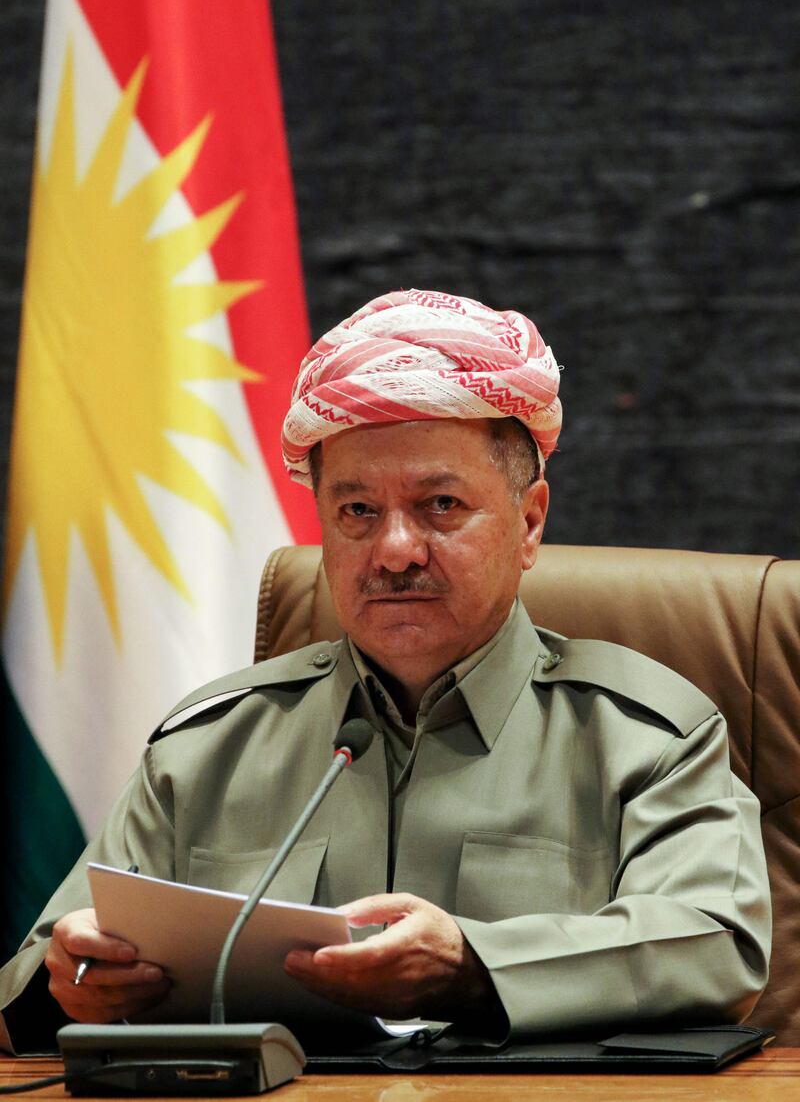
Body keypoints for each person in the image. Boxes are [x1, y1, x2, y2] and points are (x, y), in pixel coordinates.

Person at [0, 288, 770, 1052]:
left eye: (439, 504)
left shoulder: (647, 734)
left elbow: (716, 942)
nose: (395, 550)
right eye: (357, 511)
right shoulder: (210, 744)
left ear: (530, 520)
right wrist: (67, 981)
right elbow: (30, 980)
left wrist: (469, 966)